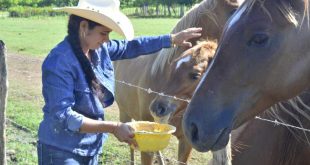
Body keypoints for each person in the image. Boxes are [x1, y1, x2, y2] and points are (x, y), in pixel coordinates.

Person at [37, 0, 202, 164]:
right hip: (61, 151)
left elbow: (132, 47)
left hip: (90, 148)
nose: (107, 39)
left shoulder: (99, 51)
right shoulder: (59, 62)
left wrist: (172, 39)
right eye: (103, 33)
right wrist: (114, 127)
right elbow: (64, 116)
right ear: (84, 27)